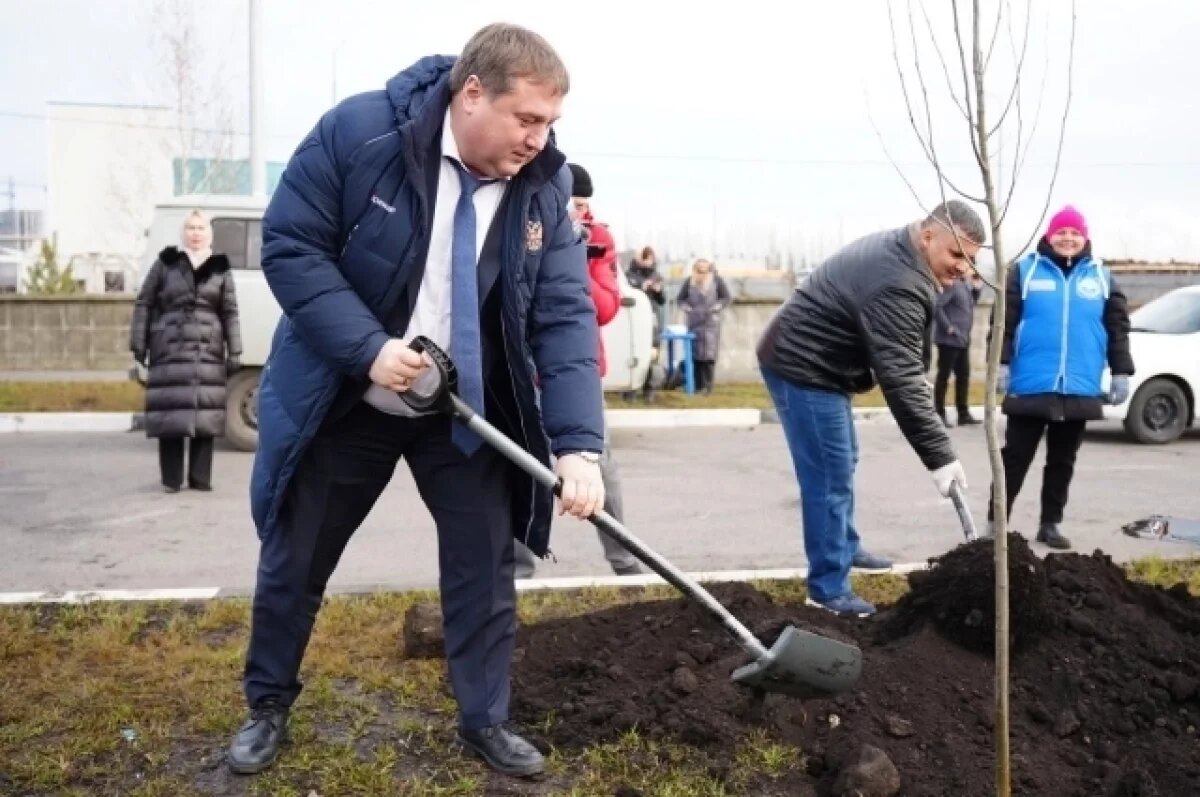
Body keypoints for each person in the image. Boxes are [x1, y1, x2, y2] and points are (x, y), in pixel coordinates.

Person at [226, 24, 606, 779]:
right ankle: (266, 705)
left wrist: (578, 444)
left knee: (484, 564)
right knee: (296, 556)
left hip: (463, 410)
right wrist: (367, 347)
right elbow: (292, 247)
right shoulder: (361, 133)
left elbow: (563, 317)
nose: (539, 139)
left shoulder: (544, 187)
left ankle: (484, 718)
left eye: (550, 124)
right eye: (526, 119)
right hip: (351, 393)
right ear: (472, 95)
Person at [756, 201, 985, 617]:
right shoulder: (896, 279)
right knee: (829, 475)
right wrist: (940, 456)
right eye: (957, 254)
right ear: (928, 235)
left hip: (822, 363)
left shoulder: (905, 251)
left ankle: (842, 543)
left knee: (843, 461)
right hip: (803, 365)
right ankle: (827, 591)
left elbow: (906, 360)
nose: (964, 268)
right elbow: (900, 375)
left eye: (971, 260)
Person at [512, 163, 644, 577]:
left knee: (598, 463)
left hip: (574, 370)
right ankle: (516, 570)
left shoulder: (598, 239)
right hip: (519, 368)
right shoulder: (522, 222)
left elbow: (603, 308)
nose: (575, 209)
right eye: (571, 201)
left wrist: (575, 260)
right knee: (518, 461)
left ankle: (624, 561)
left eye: (582, 203)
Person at [989, 205, 1133, 550]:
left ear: (1085, 238)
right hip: (1030, 383)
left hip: (1079, 386)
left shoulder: (1102, 277)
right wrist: (1000, 363)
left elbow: (1117, 328)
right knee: (1015, 458)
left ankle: (1050, 524)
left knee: (1062, 460)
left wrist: (1121, 371)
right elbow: (1002, 322)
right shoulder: (1023, 271)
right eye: (1061, 232)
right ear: (1049, 236)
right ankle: (996, 524)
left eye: (1075, 233)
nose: (1068, 238)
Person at [129, 210, 242, 493]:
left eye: (201, 228)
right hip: (170, 345)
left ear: (209, 234)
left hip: (208, 347)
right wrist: (138, 342)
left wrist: (235, 349)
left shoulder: (220, 268)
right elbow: (144, 302)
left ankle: (201, 478)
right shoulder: (166, 263)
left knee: (206, 412)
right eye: (190, 228)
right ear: (183, 233)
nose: (196, 233)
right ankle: (171, 479)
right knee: (170, 413)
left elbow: (229, 311)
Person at [933, 272, 983, 426]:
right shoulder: (952, 285)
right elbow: (936, 305)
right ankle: (939, 413)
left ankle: (963, 413)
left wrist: (976, 289)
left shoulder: (965, 286)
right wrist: (948, 327)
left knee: (963, 377)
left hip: (962, 340)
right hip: (949, 340)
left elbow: (969, 305)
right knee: (944, 377)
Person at [676, 258, 730, 394]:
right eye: (699, 270)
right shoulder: (689, 282)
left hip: (710, 324)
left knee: (708, 357)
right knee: (695, 356)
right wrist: (686, 308)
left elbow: (726, 297)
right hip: (694, 323)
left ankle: (708, 387)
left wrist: (717, 307)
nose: (701, 274)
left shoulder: (716, 281)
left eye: (704, 270)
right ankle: (697, 386)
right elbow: (680, 299)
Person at [625, 246, 667, 400]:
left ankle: (650, 390)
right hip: (634, 321)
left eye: (648, 257)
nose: (645, 260)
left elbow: (662, 301)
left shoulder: (657, 276)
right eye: (643, 257)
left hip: (652, 320)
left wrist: (658, 290)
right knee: (632, 352)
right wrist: (641, 288)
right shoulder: (628, 276)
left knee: (652, 355)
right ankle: (630, 391)